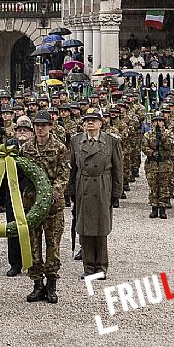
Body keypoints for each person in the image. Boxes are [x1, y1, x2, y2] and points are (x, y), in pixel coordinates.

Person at [21, 110, 70, 303]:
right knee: (33, 244)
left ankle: (51, 286)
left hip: (52, 205)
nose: (40, 128)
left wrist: (52, 192)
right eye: (37, 125)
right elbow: (21, 173)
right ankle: (37, 284)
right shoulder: (25, 149)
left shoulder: (59, 148)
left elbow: (64, 175)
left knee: (53, 245)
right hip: (31, 204)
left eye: (44, 125)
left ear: (50, 126)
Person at [68, 107, 122, 279]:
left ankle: (101, 267)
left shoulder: (111, 141)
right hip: (83, 185)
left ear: (101, 122)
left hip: (102, 186)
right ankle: (88, 267)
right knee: (84, 228)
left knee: (100, 228)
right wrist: (70, 190)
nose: (90, 122)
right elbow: (72, 168)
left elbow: (118, 169)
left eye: (94, 119)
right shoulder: (76, 141)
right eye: (87, 120)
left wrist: (116, 194)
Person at [142, 112, 174, 220]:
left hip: (164, 164)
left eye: (160, 121)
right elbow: (144, 147)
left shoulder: (168, 133)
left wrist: (162, 138)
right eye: (156, 121)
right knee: (153, 187)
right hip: (152, 164)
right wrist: (152, 153)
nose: (158, 123)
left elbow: (170, 146)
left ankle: (162, 208)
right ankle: (154, 207)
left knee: (164, 187)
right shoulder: (147, 135)